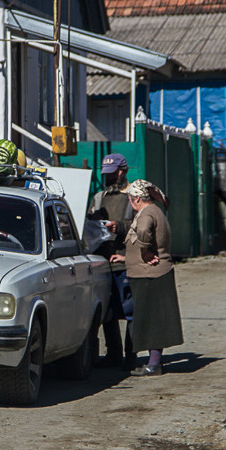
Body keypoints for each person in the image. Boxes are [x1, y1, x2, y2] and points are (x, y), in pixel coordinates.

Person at [110, 179, 183, 377]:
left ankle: (154, 364)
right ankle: (153, 363)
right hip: (151, 274)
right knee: (152, 320)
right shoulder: (154, 211)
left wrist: (144, 253)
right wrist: (127, 257)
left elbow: (143, 231)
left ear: (135, 199)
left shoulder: (147, 213)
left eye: (130, 200)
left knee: (152, 321)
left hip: (150, 276)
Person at [87, 153, 136, 369]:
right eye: (106, 174)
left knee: (130, 311)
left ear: (123, 171)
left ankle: (132, 356)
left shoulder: (135, 196)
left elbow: (143, 224)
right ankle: (114, 354)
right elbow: (88, 223)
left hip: (125, 262)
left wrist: (120, 226)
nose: (109, 178)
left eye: (113, 173)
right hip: (103, 262)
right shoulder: (98, 198)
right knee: (107, 312)